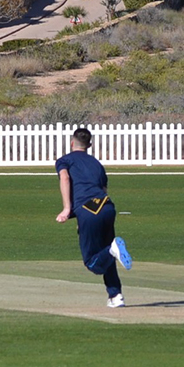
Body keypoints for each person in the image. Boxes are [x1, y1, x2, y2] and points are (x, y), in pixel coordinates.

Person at [55, 127, 131, 308]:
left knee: (92, 262)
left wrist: (67, 209)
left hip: (88, 210)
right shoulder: (97, 164)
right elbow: (103, 190)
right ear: (89, 145)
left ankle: (113, 250)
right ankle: (115, 295)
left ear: (72, 143)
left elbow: (65, 178)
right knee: (107, 252)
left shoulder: (64, 160)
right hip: (107, 207)